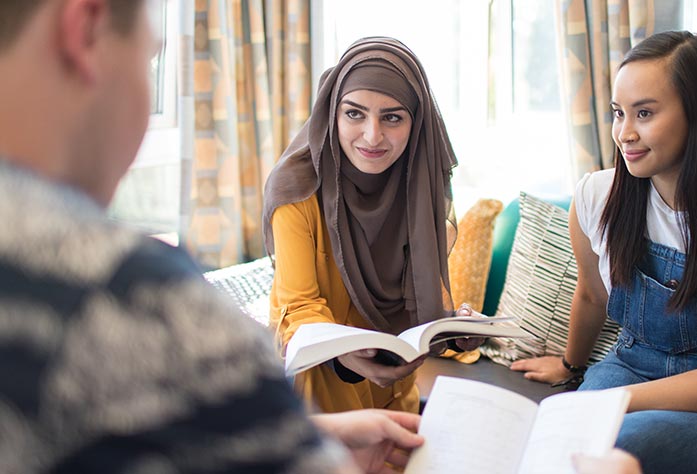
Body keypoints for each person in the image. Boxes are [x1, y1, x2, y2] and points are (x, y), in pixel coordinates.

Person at [0, 1, 424, 472]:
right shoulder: (144, 304)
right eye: (150, 59)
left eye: (392, 117)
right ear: (86, 28)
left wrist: (312, 432)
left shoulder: (420, 197)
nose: (372, 134)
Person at [511, 31, 697, 473]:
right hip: (630, 367)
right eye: (618, 113)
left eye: (645, 113)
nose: (624, 133)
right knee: (562, 444)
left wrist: (620, 401)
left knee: (622, 446)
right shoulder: (598, 196)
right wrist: (570, 364)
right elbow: (592, 295)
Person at [262, 36, 480, 414]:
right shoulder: (296, 190)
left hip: (397, 388)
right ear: (332, 113)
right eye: (354, 114)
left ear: (416, 123)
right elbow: (298, 308)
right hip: (319, 384)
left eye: (392, 117)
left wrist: (451, 328)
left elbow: (414, 301)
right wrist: (344, 356)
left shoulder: (418, 189)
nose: (372, 136)